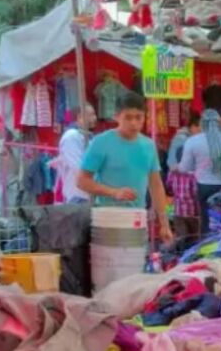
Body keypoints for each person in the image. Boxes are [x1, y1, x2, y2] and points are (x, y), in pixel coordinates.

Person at [77, 92, 173, 244]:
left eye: (138, 117)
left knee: (135, 264)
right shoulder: (101, 142)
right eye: (128, 117)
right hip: (107, 217)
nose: (134, 123)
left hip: (137, 218)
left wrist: (164, 224)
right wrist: (114, 192)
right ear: (116, 116)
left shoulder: (148, 145)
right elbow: (82, 181)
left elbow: (156, 185)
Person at [179, 107, 221, 236]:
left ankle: (206, 246)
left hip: (204, 186)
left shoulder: (192, 141)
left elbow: (184, 168)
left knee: (206, 220)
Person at [165, 112, 202, 231]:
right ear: (193, 127)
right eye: (201, 129)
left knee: (182, 237)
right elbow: (172, 162)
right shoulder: (182, 139)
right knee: (194, 237)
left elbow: (169, 187)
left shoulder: (173, 176)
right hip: (192, 212)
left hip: (178, 211)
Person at [55, 104, 96, 204]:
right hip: (78, 195)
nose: (94, 118)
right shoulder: (71, 137)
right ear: (79, 117)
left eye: (94, 114)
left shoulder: (89, 137)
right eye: (90, 115)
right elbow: (78, 167)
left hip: (89, 194)